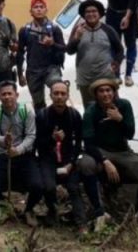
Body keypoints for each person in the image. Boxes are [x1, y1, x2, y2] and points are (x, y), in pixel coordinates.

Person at [77, 79, 138, 224]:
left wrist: (120, 119)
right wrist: (105, 161)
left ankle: (136, 218)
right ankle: (99, 212)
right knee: (86, 164)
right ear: (96, 95)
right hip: (100, 151)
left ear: (114, 92)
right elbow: (88, 143)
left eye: (108, 90)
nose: (105, 94)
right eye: (101, 91)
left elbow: (130, 134)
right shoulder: (91, 111)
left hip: (122, 151)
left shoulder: (124, 105)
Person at [25, 81, 90, 233]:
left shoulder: (74, 115)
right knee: (49, 187)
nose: (59, 97)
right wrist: (52, 139)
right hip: (48, 158)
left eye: (63, 93)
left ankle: (81, 223)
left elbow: (79, 143)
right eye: (56, 93)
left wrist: (72, 163)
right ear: (50, 95)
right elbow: (36, 143)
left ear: (67, 96)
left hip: (68, 158)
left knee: (73, 187)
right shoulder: (42, 116)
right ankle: (52, 211)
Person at [0, 81, 42, 223]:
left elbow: (31, 136)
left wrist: (19, 150)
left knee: (38, 186)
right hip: (2, 155)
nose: (7, 97)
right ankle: (6, 206)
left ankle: (28, 209)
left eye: (10, 93)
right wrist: (4, 140)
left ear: (16, 95)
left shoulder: (26, 111)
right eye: (3, 94)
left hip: (24, 155)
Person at [65, 0, 123, 107]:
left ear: (99, 14)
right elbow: (69, 51)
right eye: (87, 12)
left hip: (106, 75)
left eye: (94, 11)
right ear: (83, 15)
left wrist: (116, 63)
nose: (91, 14)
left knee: (113, 106)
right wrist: (77, 38)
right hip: (85, 78)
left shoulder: (108, 30)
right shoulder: (78, 29)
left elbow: (120, 50)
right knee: (90, 109)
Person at [15, 0, 66, 110]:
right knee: (38, 104)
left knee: (58, 90)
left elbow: (64, 48)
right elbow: (20, 53)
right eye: (36, 7)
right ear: (31, 11)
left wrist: (52, 44)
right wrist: (20, 74)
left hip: (51, 68)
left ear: (46, 10)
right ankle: (42, 119)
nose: (39, 9)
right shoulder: (25, 30)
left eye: (41, 7)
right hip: (33, 71)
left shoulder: (55, 29)